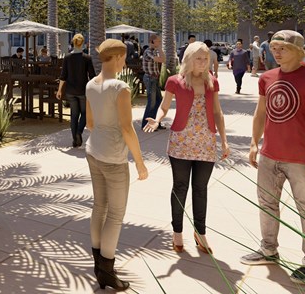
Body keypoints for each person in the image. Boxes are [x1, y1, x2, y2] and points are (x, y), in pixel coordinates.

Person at [241, 30, 305, 286]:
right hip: (270, 156)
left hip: (302, 160)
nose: (276, 51)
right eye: (273, 47)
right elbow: (260, 113)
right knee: (266, 204)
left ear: (299, 51)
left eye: (282, 47)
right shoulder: (267, 78)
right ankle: (268, 250)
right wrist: (253, 143)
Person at [145, 41, 229, 255]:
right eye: (198, 59)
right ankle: (177, 232)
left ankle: (200, 233)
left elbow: (218, 112)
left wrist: (224, 140)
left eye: (205, 59)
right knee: (180, 187)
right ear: (189, 59)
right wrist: (157, 120)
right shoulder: (175, 81)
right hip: (181, 141)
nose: (202, 63)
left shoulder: (213, 82)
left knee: (201, 190)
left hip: (206, 142)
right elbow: (164, 106)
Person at [84, 38, 149, 291]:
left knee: (99, 206)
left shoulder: (91, 84)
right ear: (119, 58)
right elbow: (126, 128)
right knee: (115, 214)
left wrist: (102, 130)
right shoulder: (120, 87)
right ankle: (108, 271)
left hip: (93, 150)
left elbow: (89, 122)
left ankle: (99, 266)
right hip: (113, 156)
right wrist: (140, 163)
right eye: (125, 57)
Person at [57, 34, 95, 148]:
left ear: (73, 42)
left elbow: (63, 76)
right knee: (84, 113)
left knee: (74, 115)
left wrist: (59, 91)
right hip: (83, 90)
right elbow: (92, 76)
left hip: (70, 91)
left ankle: (75, 140)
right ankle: (79, 132)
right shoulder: (87, 58)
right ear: (82, 43)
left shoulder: (67, 58)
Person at [141, 34, 166, 131]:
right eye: (158, 41)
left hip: (154, 79)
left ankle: (156, 122)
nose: (159, 43)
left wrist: (159, 48)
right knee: (152, 102)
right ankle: (146, 124)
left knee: (159, 101)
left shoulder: (154, 51)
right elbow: (160, 60)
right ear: (152, 42)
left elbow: (163, 60)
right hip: (150, 78)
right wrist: (160, 48)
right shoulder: (148, 51)